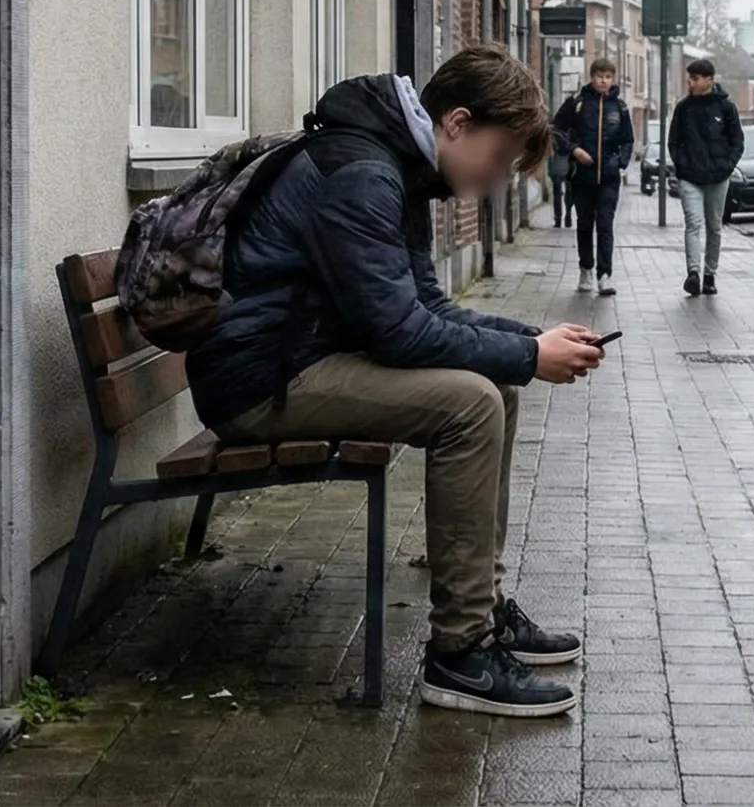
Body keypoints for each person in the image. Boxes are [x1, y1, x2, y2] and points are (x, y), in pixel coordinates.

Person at [186, 45, 607, 717]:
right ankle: (460, 652)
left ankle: (482, 607)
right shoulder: (364, 174)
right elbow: (400, 333)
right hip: (259, 381)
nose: (495, 178)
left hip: (296, 361)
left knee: (494, 387)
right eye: (498, 157)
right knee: (472, 402)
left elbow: (428, 308)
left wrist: (528, 340)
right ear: (458, 123)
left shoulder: (395, 166)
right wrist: (531, 355)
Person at [552, 59, 633, 297]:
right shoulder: (577, 103)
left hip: (609, 177)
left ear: (612, 79)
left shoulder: (619, 107)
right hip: (582, 176)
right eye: (599, 76)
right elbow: (556, 130)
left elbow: (628, 140)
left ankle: (604, 275)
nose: (603, 81)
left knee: (605, 224)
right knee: (585, 223)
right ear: (592, 76)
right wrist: (574, 150)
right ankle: (585, 269)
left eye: (608, 77)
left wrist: (620, 162)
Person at [667, 57, 745, 296]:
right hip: (690, 177)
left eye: (695, 78)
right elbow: (674, 141)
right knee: (693, 223)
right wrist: (681, 166)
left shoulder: (725, 107)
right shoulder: (684, 108)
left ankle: (710, 275)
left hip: (718, 177)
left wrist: (727, 167)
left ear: (709, 80)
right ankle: (693, 273)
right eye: (689, 78)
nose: (690, 82)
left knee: (714, 226)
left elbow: (737, 141)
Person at [545, 143, 574, 229]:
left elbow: (550, 155)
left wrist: (550, 171)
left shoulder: (554, 138)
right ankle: (568, 216)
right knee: (569, 194)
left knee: (557, 196)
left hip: (556, 169)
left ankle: (558, 220)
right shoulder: (570, 138)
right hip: (569, 169)